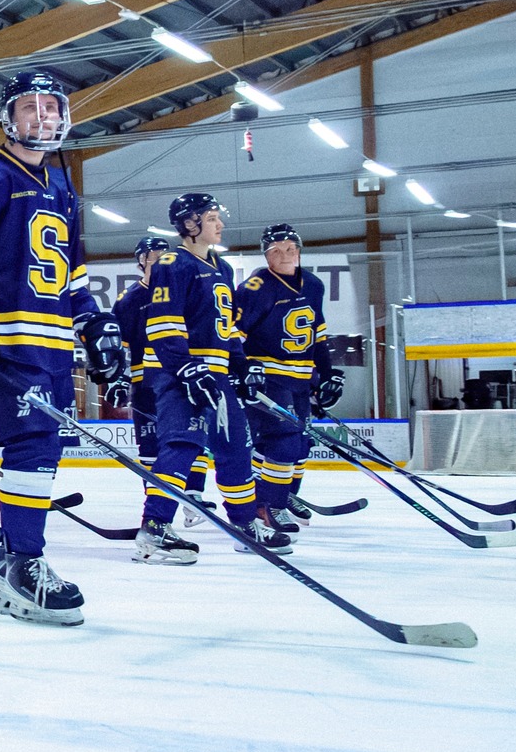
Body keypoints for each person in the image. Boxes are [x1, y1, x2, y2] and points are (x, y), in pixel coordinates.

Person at [0, 69, 127, 624]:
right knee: (31, 445)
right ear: (8, 117)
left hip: (52, 345)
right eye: (30, 107)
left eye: (52, 107)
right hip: (5, 340)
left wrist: (92, 323)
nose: (43, 116)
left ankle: (12, 566)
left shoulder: (62, 185)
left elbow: (71, 273)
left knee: (43, 452)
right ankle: (22, 564)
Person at [139, 194, 294, 561]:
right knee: (182, 445)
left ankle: (244, 524)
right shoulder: (172, 264)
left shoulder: (222, 267)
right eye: (211, 218)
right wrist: (185, 368)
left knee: (235, 448)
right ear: (189, 223)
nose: (220, 224)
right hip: (182, 376)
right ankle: (154, 527)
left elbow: (226, 329)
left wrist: (242, 365)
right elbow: (163, 325)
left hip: (217, 375)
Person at [235, 223, 343, 534]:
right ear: (265, 255)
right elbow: (233, 336)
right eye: (276, 250)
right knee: (283, 442)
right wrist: (242, 371)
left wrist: (327, 374)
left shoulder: (313, 284)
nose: (285, 255)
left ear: (299, 250)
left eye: (291, 249)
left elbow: (317, 334)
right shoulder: (255, 288)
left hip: (301, 377)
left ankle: (281, 494)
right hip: (269, 377)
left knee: (301, 444)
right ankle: (272, 505)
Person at [108, 236, 212, 529]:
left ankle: (193, 496)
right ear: (141, 261)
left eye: (163, 255)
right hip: (146, 383)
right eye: (152, 256)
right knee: (151, 447)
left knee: (191, 437)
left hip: (181, 377)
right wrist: (118, 379)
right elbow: (120, 346)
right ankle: (155, 506)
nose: (159, 260)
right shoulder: (129, 300)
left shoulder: (184, 288)